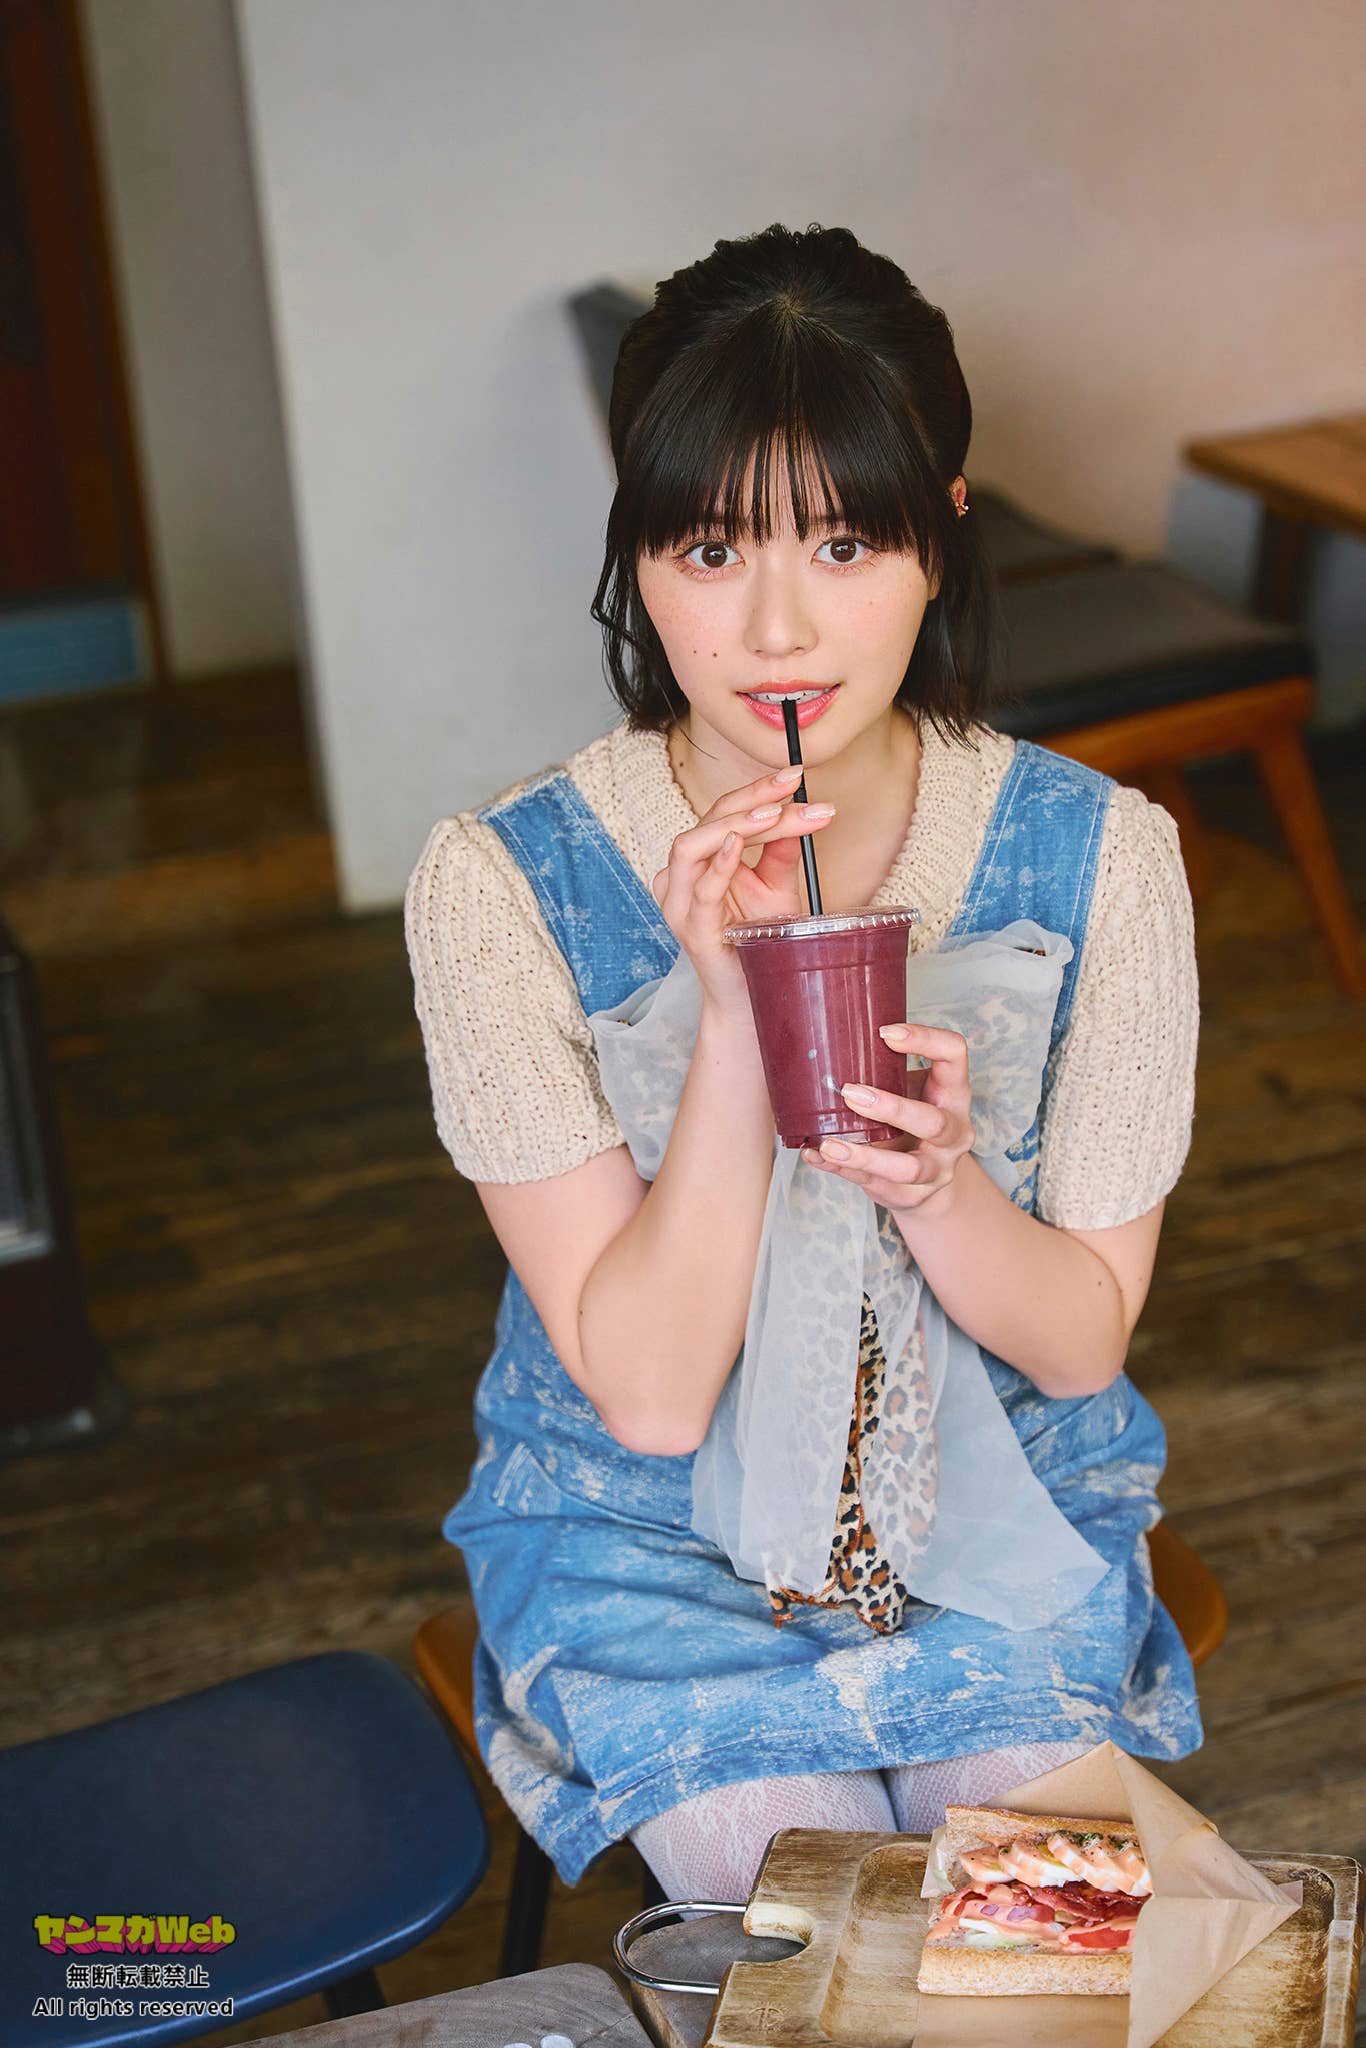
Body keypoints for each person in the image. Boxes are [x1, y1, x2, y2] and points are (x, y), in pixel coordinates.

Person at [404, 222, 1202, 1903]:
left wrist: (941, 1185)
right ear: (637, 554)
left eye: (844, 542)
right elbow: (646, 1395)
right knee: (829, 1957)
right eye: (708, 547)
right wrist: (728, 1024)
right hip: (646, 1543)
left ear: (941, 535)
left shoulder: (1101, 857)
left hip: (1003, 1511)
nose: (775, 627)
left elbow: (1076, 1348)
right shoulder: (500, 887)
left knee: (1042, 1963)